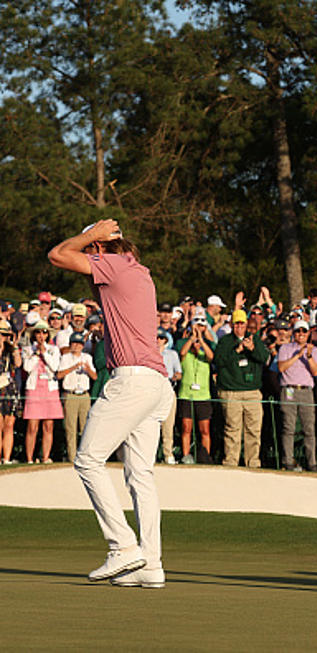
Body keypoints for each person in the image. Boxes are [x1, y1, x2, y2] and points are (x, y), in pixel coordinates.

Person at [48, 219, 175, 588]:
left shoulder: (114, 264)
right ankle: (150, 564)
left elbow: (58, 255)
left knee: (87, 459)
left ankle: (123, 547)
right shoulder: (136, 268)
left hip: (132, 382)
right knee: (140, 477)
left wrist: (92, 237)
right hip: (155, 385)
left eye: (91, 252)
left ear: (100, 249)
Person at [214, 309, 269, 468]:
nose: (239, 327)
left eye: (242, 324)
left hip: (252, 392)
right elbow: (219, 361)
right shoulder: (225, 341)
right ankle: (231, 461)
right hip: (231, 392)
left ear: (246, 325)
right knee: (232, 430)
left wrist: (252, 349)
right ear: (232, 324)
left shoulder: (255, 340)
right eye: (236, 324)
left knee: (253, 430)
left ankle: (253, 462)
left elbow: (264, 358)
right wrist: (237, 350)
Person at [277, 320, 317, 471]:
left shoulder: (314, 350)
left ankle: (312, 463)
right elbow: (281, 367)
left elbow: (316, 372)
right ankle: (288, 461)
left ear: (308, 333)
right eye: (298, 331)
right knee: (288, 427)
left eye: (304, 331)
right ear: (293, 333)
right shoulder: (285, 348)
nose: (301, 334)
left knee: (309, 429)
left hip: (306, 391)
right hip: (289, 389)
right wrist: (297, 355)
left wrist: (308, 356)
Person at [21, 320, 63, 463]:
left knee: (48, 425)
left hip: (50, 388)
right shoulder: (28, 349)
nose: (41, 335)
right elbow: (27, 367)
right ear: (34, 334)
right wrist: (36, 353)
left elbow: (55, 366)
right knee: (32, 426)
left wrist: (44, 353)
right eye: (38, 332)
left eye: (44, 332)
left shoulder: (53, 349)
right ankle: (29, 458)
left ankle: (45, 457)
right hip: (34, 389)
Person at [176, 318, 214, 464]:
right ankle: (186, 456)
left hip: (203, 397)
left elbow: (212, 356)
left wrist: (202, 340)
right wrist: (192, 338)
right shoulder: (187, 356)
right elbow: (182, 352)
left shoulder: (205, 356)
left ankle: (205, 456)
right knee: (186, 428)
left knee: (205, 430)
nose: (196, 344)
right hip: (186, 395)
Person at [57, 332, 97, 462]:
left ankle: (85, 457)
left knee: (86, 428)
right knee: (70, 428)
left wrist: (87, 369)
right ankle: (72, 457)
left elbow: (94, 377)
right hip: (71, 394)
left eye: (79, 344)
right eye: (74, 343)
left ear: (83, 345)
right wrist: (73, 367)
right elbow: (59, 375)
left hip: (84, 394)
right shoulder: (65, 357)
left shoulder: (87, 357)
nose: (76, 346)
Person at [157, 328, 181, 465]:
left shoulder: (172, 354)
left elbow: (179, 372)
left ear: (165, 340)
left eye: (161, 338)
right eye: (157, 338)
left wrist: (175, 377)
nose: (158, 340)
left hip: (168, 390)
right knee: (151, 425)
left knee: (168, 425)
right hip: (152, 391)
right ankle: (151, 454)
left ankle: (168, 454)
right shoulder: (149, 353)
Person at [0, 319, 22, 464]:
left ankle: (6, 458)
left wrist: (13, 347)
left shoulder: (9, 349)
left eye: (5, 334)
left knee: (9, 425)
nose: (3, 337)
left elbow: (18, 363)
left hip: (9, 388)